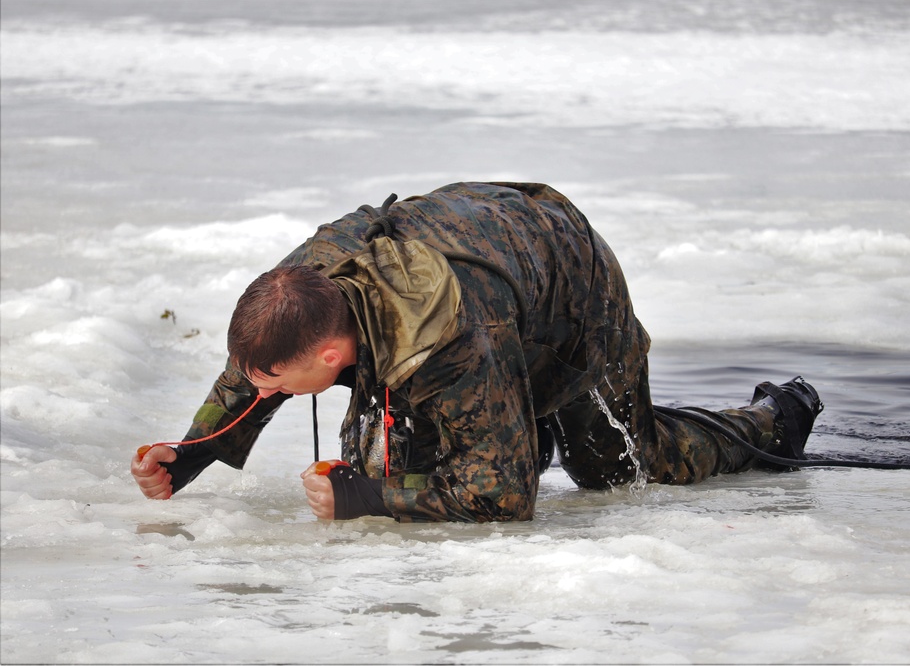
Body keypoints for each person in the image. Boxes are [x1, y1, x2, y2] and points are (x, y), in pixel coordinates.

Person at [131, 182, 823, 522]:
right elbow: (252, 371)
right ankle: (511, 426)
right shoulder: (301, 291)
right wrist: (190, 453)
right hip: (489, 276)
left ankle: (774, 418)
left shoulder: (450, 342)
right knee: (396, 454)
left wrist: (367, 496)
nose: (263, 387)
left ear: (333, 349)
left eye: (279, 382)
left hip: (570, 287)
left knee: (617, 468)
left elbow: (504, 495)